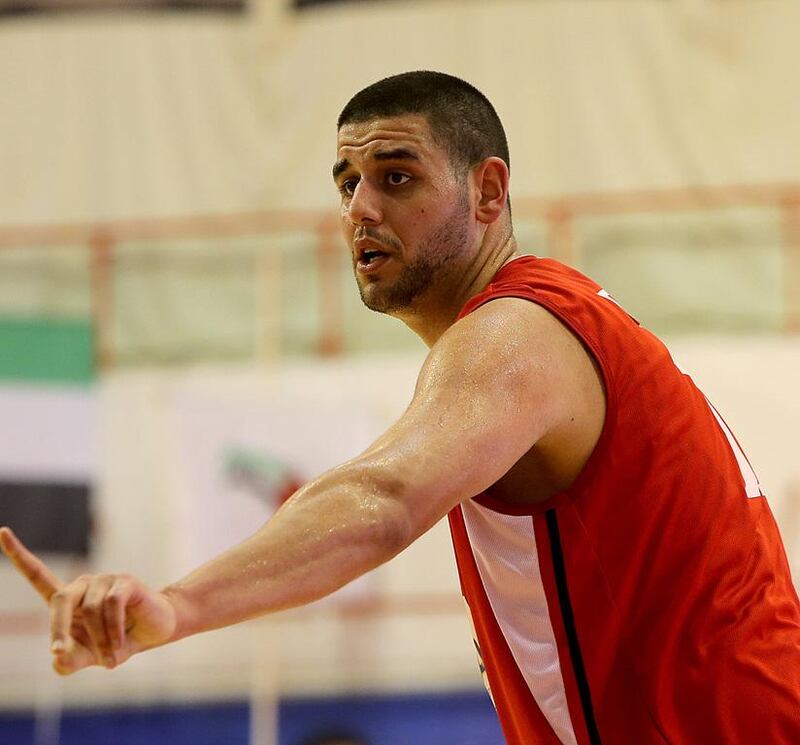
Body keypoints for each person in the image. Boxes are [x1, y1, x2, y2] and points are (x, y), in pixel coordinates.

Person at [2, 71, 799, 745]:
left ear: (488, 191)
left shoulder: (516, 328)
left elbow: (382, 500)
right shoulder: (548, 328)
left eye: (397, 175)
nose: (360, 208)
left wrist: (176, 605)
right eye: (347, 183)